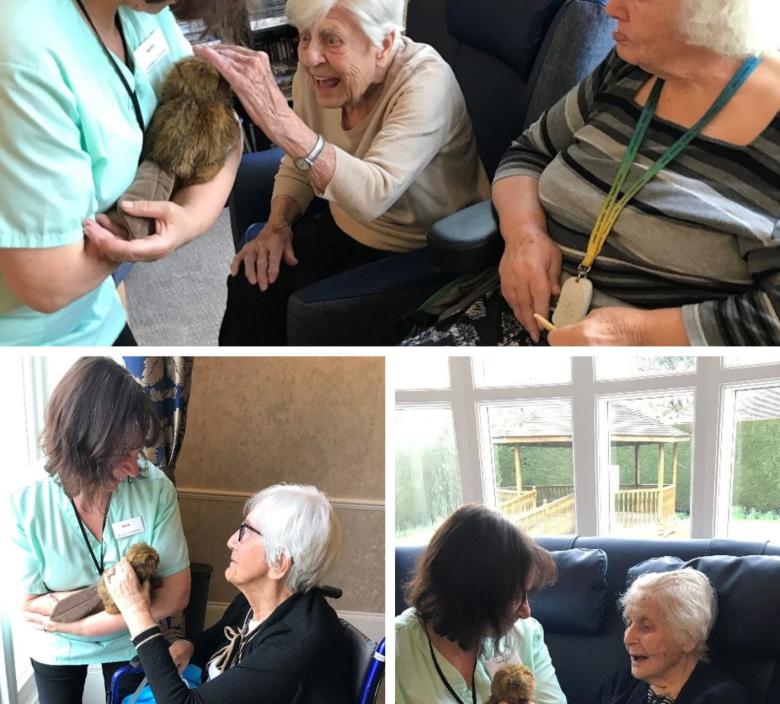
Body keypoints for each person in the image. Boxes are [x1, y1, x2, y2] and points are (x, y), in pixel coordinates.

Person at [404, 0, 780, 346]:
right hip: (511, 313)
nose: (612, 8)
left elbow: (772, 317)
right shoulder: (629, 67)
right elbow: (528, 154)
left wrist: (634, 334)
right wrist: (524, 236)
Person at [196, 0, 490, 345]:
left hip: (420, 247)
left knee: (294, 307)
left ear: (383, 44)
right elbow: (299, 159)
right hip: (346, 221)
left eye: (332, 40)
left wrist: (280, 121)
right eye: (305, 37)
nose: (309, 58)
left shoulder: (426, 82)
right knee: (252, 281)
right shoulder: (320, 75)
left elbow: (372, 195)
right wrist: (277, 225)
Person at [0, 0, 241, 346]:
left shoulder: (142, 16)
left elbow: (225, 133)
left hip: (96, 312)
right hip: (32, 340)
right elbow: (47, 281)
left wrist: (188, 220)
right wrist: (145, 231)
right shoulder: (25, 52)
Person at [8, 357, 191, 704]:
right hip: (56, 645)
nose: (133, 467)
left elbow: (178, 594)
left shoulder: (154, 488)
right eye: (121, 453)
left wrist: (78, 620)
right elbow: (30, 605)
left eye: (136, 450)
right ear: (81, 445)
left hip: (130, 637)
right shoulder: (24, 500)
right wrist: (134, 600)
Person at [103, 483, 355, 703]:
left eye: (245, 532)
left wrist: (137, 611)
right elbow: (219, 635)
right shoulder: (258, 602)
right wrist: (189, 646)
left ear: (279, 563)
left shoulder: (295, 642)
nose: (232, 540)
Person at [395, 504, 566, 704]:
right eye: (513, 599)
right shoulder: (398, 650)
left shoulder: (526, 634)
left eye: (526, 595)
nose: (526, 612)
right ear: (473, 596)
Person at [594, 569, 750, 703]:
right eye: (629, 623)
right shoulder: (622, 684)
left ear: (689, 637)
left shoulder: (721, 699)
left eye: (646, 627)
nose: (628, 639)